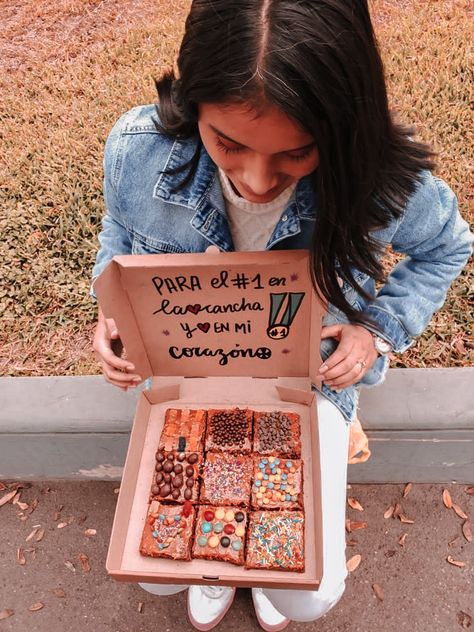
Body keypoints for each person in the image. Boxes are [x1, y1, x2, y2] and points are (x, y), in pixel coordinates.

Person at [91, 1, 473, 630]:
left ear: (344, 128)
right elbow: (119, 231)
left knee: (306, 591)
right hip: (188, 378)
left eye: (296, 153)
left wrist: (376, 331)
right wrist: (112, 315)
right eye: (228, 143)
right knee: (164, 572)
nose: (257, 179)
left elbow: (447, 247)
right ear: (193, 104)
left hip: (309, 381)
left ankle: (266, 576)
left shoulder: (378, 179)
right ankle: (222, 565)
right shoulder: (139, 151)